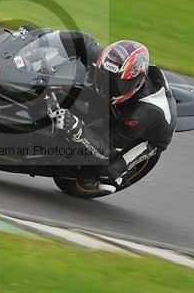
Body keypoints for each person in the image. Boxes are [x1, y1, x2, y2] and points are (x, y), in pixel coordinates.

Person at [48, 32, 177, 193]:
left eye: (115, 85)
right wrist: (39, 38)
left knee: (104, 173)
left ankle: (116, 178)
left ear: (134, 83)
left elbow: (107, 148)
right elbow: (78, 39)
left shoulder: (143, 112)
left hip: (146, 135)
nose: (106, 87)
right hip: (117, 106)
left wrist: (75, 126)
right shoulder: (105, 60)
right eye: (103, 77)